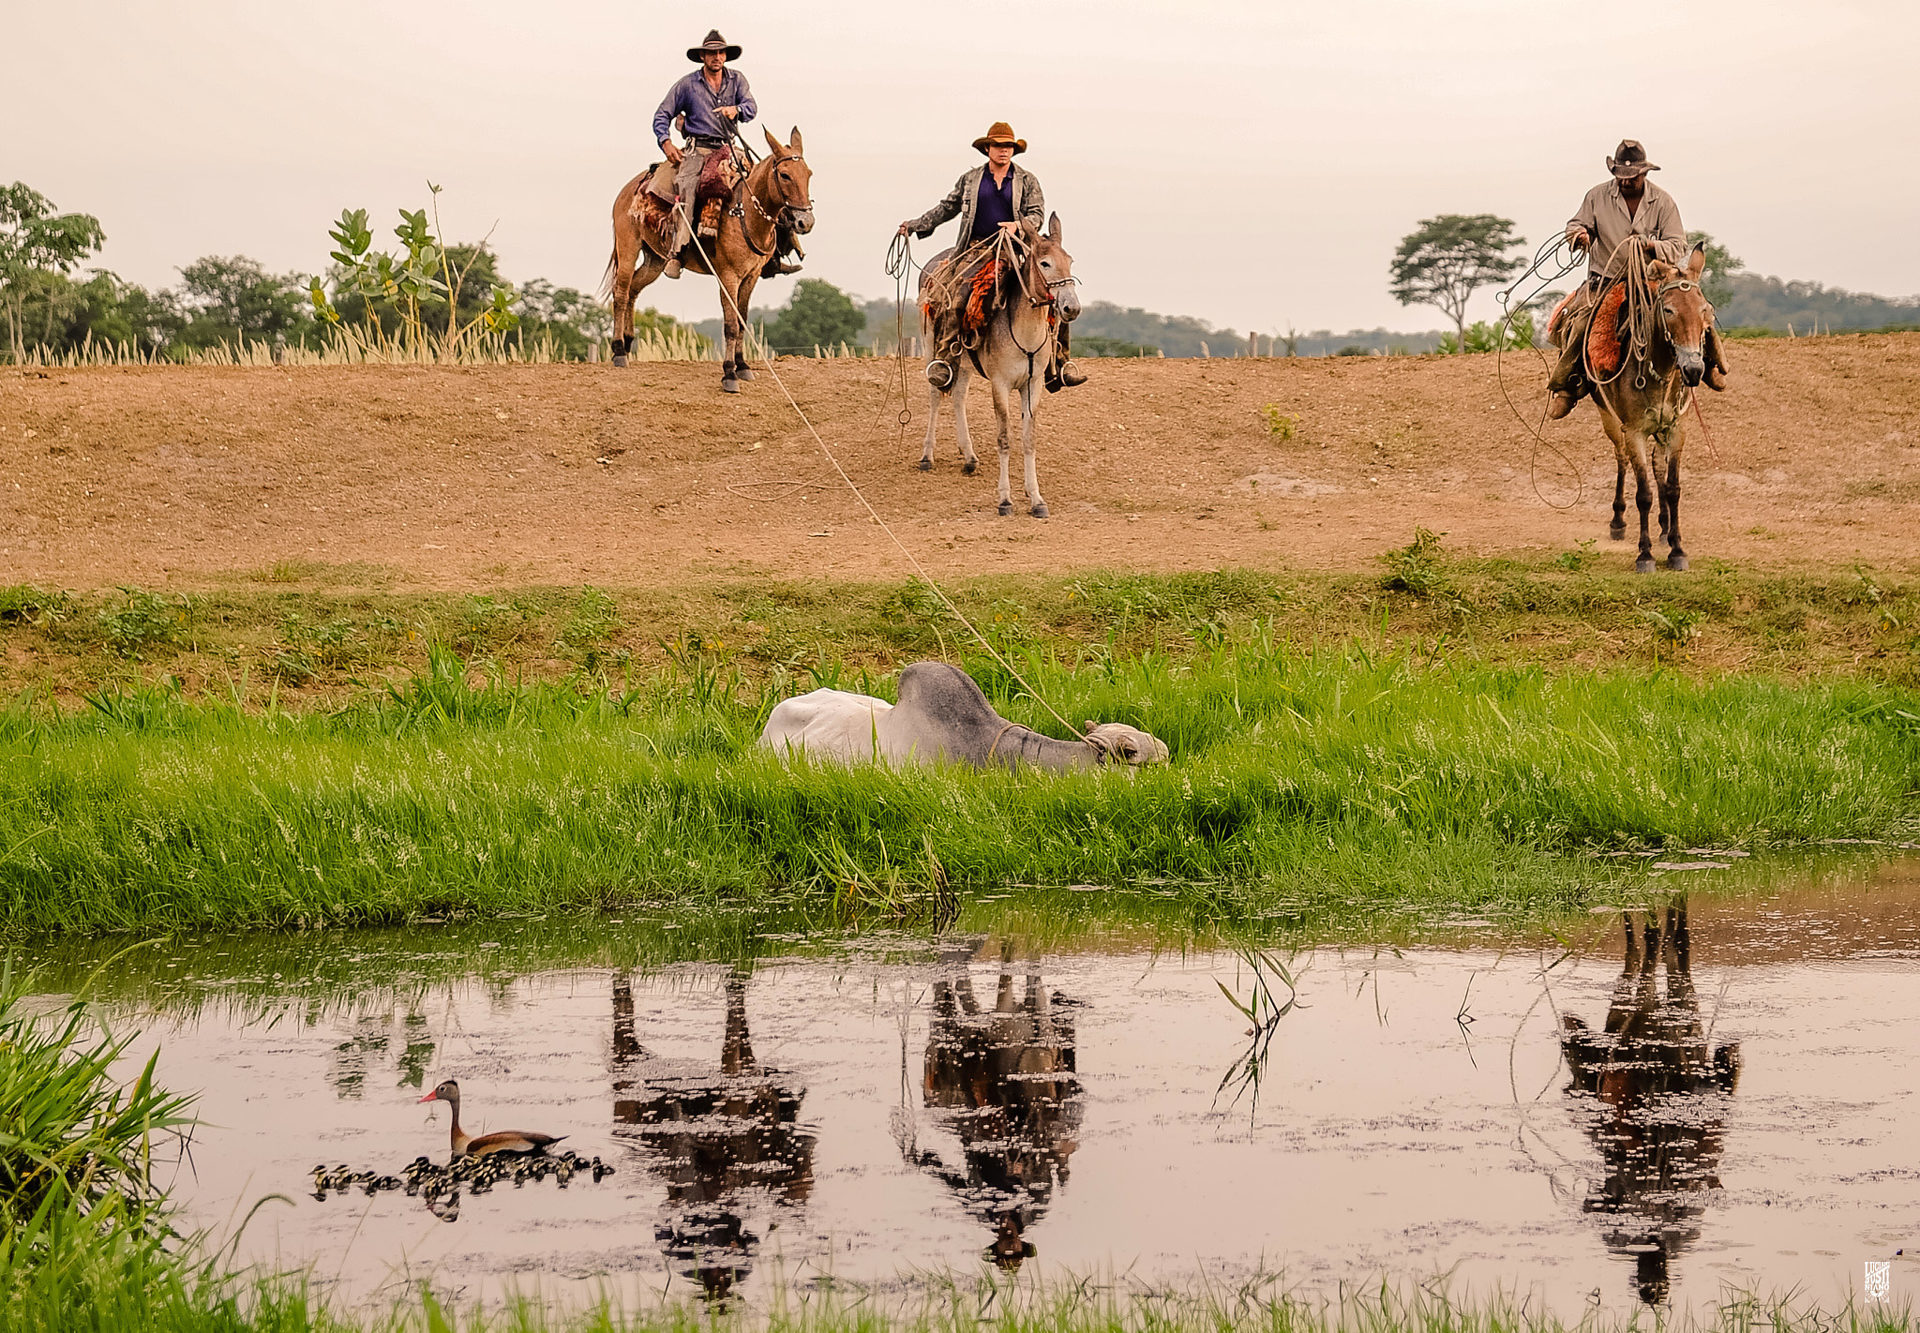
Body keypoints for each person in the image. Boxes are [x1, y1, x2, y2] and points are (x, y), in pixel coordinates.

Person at [898, 122, 1085, 391]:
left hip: (1016, 250)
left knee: (1054, 290)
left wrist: (1017, 226)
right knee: (957, 297)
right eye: (998, 145)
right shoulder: (971, 179)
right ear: (987, 148)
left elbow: (1037, 214)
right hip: (975, 249)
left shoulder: (1027, 180)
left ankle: (1060, 363)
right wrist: (916, 225)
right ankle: (946, 360)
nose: (1003, 151)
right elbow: (947, 208)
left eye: (1008, 146)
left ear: (1014, 150)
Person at [1548, 140, 1727, 419]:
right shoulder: (1596, 196)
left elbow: (1678, 245)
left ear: (1644, 174)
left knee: (1696, 312)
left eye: (1632, 177)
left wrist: (1649, 246)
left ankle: (1712, 364)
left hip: (1652, 282)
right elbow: (1575, 224)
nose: (1627, 182)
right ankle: (1567, 386)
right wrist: (1579, 234)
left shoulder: (1663, 201)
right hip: (1605, 281)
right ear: (1615, 174)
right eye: (1621, 177)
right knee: (1580, 322)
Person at [651, 30, 757, 280]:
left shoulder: (737, 80)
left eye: (720, 52)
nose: (717, 57)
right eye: (711, 53)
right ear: (702, 56)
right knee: (687, 189)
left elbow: (751, 108)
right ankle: (678, 252)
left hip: (729, 148)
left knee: (766, 185)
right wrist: (666, 143)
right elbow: (662, 115)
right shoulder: (687, 85)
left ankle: (778, 249)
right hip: (698, 149)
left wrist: (736, 109)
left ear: (725, 56)